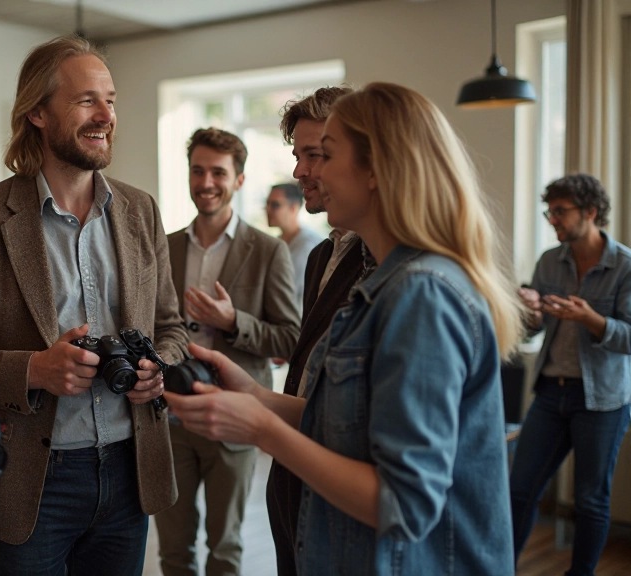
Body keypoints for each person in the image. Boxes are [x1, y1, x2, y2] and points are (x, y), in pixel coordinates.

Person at [164, 82, 523, 575]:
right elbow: (351, 423)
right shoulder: (391, 282)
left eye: (325, 155)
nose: (305, 174)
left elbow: (405, 503)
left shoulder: (422, 294)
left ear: (376, 170)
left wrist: (261, 427)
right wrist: (256, 396)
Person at [0, 35, 188, 576]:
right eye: (86, 100)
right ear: (38, 113)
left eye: (111, 99)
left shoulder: (141, 211)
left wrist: (156, 368)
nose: (105, 115)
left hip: (130, 468)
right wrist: (34, 369)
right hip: (32, 481)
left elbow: (172, 329)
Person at [158, 128, 300, 576]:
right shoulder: (165, 246)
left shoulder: (269, 250)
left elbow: (290, 337)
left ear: (238, 180)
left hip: (236, 416)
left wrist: (233, 322)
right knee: (173, 551)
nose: (206, 182)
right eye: (197, 170)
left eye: (218, 172)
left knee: (226, 548)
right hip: (171, 414)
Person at [264, 86, 367, 576]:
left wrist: (258, 416)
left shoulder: (390, 269)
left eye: (317, 155)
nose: (300, 171)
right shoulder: (320, 257)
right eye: (299, 155)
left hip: (340, 484)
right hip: (297, 469)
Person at [510, 173, 631, 576]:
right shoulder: (549, 260)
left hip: (602, 401)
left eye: (560, 212)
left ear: (591, 212)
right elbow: (535, 327)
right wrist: (529, 309)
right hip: (549, 392)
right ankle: (498, 566)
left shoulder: (625, 266)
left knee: (591, 501)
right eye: (550, 212)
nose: (552, 220)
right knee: (519, 491)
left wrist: (591, 319)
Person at [266, 182, 323, 301]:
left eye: (275, 205)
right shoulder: (277, 242)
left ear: (294, 207)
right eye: (267, 203)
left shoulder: (308, 246)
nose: (267, 209)